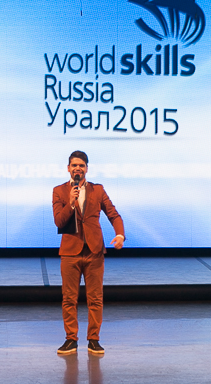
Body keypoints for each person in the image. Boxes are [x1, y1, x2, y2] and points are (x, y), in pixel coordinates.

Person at [53, 150, 125, 355]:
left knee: (95, 298)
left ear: (86, 168)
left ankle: (94, 339)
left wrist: (120, 234)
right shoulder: (59, 191)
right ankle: (71, 339)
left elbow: (113, 214)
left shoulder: (98, 190)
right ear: (68, 168)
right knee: (69, 299)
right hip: (70, 252)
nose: (78, 168)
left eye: (81, 165)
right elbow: (59, 221)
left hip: (94, 251)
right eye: (74, 165)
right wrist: (70, 202)